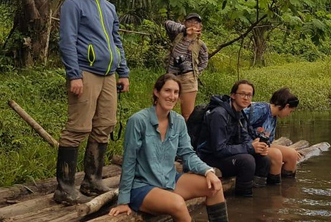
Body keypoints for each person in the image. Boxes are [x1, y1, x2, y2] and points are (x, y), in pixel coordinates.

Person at [54, 0, 130, 204]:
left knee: (105, 124)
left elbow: (117, 40)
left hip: (109, 75)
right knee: (78, 128)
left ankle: (92, 180)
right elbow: (67, 39)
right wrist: (74, 74)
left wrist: (124, 72)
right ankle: (65, 188)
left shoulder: (109, 7)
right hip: (85, 72)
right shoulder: (73, 4)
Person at [109, 74, 229, 222]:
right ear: (156, 92)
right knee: (178, 203)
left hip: (169, 180)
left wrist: (208, 171)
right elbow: (129, 161)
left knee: (214, 186)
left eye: (175, 92)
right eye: (167, 91)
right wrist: (123, 201)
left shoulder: (178, 121)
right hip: (142, 186)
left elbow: (187, 153)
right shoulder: (138, 121)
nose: (172, 96)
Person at [197, 80, 271, 197]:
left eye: (249, 95)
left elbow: (245, 137)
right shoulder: (219, 115)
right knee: (247, 161)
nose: (246, 98)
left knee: (264, 159)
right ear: (233, 95)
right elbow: (219, 149)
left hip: (228, 152)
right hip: (209, 156)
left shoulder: (239, 113)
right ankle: (244, 199)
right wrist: (250, 147)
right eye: (242, 94)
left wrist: (258, 145)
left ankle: (259, 196)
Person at [244, 87, 301, 184]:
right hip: (248, 145)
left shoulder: (274, 117)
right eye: (290, 111)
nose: (289, 114)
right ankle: (274, 189)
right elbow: (238, 122)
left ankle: (288, 187)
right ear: (286, 106)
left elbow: (269, 141)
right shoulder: (260, 110)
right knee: (276, 154)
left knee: (292, 155)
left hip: (263, 146)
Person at [164, 13, 209, 120]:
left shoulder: (200, 44)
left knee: (188, 115)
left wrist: (194, 73)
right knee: (166, 110)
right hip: (172, 76)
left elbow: (204, 61)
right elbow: (167, 23)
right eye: (190, 21)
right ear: (185, 23)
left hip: (188, 79)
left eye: (196, 22)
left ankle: (186, 135)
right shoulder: (178, 35)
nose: (193, 24)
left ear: (200, 27)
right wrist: (185, 30)